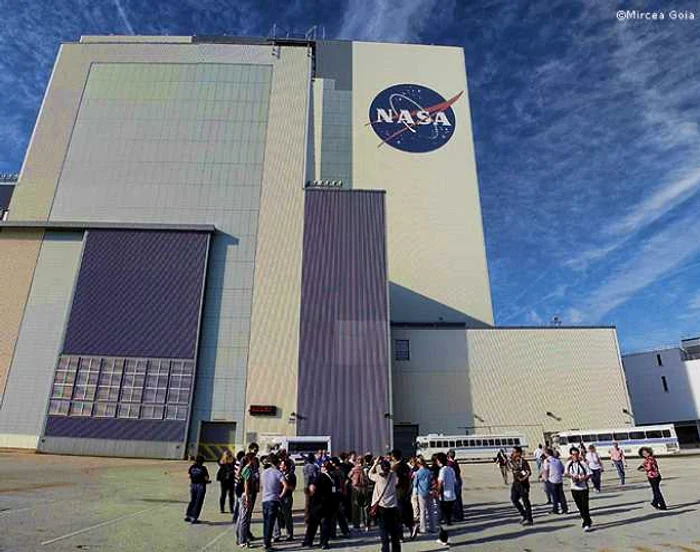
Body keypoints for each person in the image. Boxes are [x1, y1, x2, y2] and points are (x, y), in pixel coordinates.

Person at [370, 456, 402, 552]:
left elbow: (369, 474)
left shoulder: (379, 477)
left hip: (382, 507)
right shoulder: (394, 475)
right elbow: (396, 480)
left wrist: (375, 463)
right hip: (393, 506)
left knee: (383, 530)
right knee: (394, 531)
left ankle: (385, 549)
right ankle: (396, 550)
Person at [260, 453, 290, 552]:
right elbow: (285, 485)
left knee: (265, 522)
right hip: (273, 499)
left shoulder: (264, 472)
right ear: (276, 462)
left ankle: (265, 542)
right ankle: (267, 545)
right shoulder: (278, 473)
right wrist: (281, 495)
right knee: (270, 523)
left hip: (264, 500)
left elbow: (261, 486)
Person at [303, 460, 336, 550]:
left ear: (323, 468)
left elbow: (312, 488)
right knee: (325, 525)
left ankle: (309, 541)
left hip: (317, 504)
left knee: (313, 524)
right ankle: (324, 543)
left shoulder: (319, 476)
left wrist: (310, 494)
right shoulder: (332, 478)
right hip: (328, 504)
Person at [565, 447, 593, 531]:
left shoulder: (583, 463)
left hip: (583, 488)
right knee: (580, 507)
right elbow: (566, 473)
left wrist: (582, 478)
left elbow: (589, 473)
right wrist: (572, 477)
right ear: (571, 455)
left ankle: (586, 523)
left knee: (585, 507)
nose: (575, 456)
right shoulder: (569, 464)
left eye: (577, 454)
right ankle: (587, 519)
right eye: (573, 455)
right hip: (574, 488)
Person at [390, 449, 415, 540]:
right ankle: (412, 528)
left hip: (398, 492)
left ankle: (400, 536)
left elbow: (396, 481)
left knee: (398, 515)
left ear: (394, 457)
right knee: (408, 511)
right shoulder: (406, 466)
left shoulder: (395, 468)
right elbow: (410, 478)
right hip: (407, 491)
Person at [237, 452, 260, 547]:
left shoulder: (248, 469)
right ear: (251, 459)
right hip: (247, 494)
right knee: (244, 518)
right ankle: (242, 540)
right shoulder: (247, 469)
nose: (255, 461)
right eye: (254, 459)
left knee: (244, 517)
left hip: (248, 494)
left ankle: (242, 537)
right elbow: (246, 483)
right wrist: (247, 496)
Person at [273, 449, 296, 542]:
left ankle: (289, 535)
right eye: (281, 465)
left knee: (287, 516)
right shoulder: (278, 474)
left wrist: (285, 485)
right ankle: (276, 535)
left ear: (286, 466)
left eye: (282, 465)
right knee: (277, 516)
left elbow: (292, 488)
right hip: (278, 497)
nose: (281, 466)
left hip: (287, 498)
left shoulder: (291, 475)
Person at [507, 446, 533, 526]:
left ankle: (529, 519)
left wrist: (523, 478)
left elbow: (528, 472)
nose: (513, 453)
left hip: (523, 484)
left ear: (518, 453)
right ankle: (524, 514)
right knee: (514, 499)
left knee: (526, 501)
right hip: (516, 483)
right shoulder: (513, 461)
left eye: (514, 452)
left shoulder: (523, 462)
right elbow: (509, 465)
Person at [412, 457, 436, 535]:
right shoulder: (429, 472)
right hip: (429, 492)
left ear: (418, 464)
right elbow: (432, 482)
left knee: (422, 511)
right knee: (431, 510)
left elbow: (415, 484)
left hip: (421, 493)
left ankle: (423, 528)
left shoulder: (418, 473)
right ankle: (433, 527)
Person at [185, 455, 211, 524]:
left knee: (193, 500)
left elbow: (189, 476)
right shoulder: (203, 468)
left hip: (193, 485)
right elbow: (206, 478)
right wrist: (207, 481)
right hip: (201, 486)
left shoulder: (192, 467)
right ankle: (194, 518)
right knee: (198, 502)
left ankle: (188, 515)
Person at [350, 454, 371, 531]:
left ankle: (356, 525)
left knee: (356, 508)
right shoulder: (366, 468)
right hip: (365, 489)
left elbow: (349, 476)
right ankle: (366, 525)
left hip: (356, 489)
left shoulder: (354, 469)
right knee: (366, 507)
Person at [543, 448, 568, 514]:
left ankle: (555, 509)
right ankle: (564, 509)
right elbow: (562, 469)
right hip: (559, 479)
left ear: (547, 454)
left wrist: (545, 479)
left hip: (552, 479)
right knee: (561, 495)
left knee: (554, 496)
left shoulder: (547, 460)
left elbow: (546, 470)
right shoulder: (558, 460)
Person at [446, 450, 464, 521]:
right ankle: (460, 515)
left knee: (455, 499)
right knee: (458, 499)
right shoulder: (455, 462)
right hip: (458, 480)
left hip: (454, 481)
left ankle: (457, 516)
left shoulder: (449, 464)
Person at [217, 450, 236, 514]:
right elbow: (220, 463)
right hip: (224, 480)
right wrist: (224, 458)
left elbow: (235, 465)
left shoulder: (234, 460)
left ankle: (231, 509)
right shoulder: (222, 461)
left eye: (229, 454)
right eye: (227, 454)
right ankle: (222, 509)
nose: (228, 455)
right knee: (223, 494)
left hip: (231, 479)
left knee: (231, 495)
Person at [303, 453, 321, 523]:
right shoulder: (314, 467)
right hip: (312, 486)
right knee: (313, 502)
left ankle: (307, 518)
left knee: (307, 503)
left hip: (306, 485)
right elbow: (315, 476)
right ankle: (313, 517)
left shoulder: (304, 467)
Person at [232, 450, 246, 523]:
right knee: (239, 503)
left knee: (238, 502)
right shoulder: (240, 464)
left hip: (236, 484)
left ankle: (235, 516)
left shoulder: (236, 463)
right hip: (239, 485)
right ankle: (236, 516)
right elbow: (239, 475)